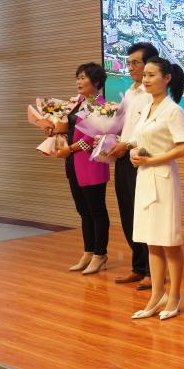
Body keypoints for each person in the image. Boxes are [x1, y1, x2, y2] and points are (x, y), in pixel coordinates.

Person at [130, 58, 184, 321]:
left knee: (169, 241)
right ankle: (157, 295)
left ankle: (174, 296)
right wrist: (135, 154)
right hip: (144, 178)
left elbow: (183, 147)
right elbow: (138, 141)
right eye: (144, 75)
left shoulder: (173, 110)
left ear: (166, 78)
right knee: (151, 240)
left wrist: (152, 160)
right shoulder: (146, 108)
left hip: (164, 179)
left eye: (151, 75)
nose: (145, 79)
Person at [51, 63, 111, 275]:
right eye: (78, 77)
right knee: (83, 211)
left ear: (96, 81)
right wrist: (53, 130)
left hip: (91, 163)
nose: (79, 81)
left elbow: (92, 137)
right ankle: (88, 251)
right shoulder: (76, 103)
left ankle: (100, 254)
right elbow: (67, 127)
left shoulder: (102, 106)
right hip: (73, 162)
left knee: (97, 210)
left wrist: (71, 149)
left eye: (83, 77)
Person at [108, 41, 158, 290]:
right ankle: (138, 267)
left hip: (142, 158)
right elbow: (125, 126)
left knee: (144, 215)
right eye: (128, 63)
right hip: (122, 157)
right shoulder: (129, 93)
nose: (130, 68)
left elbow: (151, 131)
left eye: (135, 63)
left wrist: (127, 145)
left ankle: (152, 270)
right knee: (128, 213)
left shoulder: (152, 95)